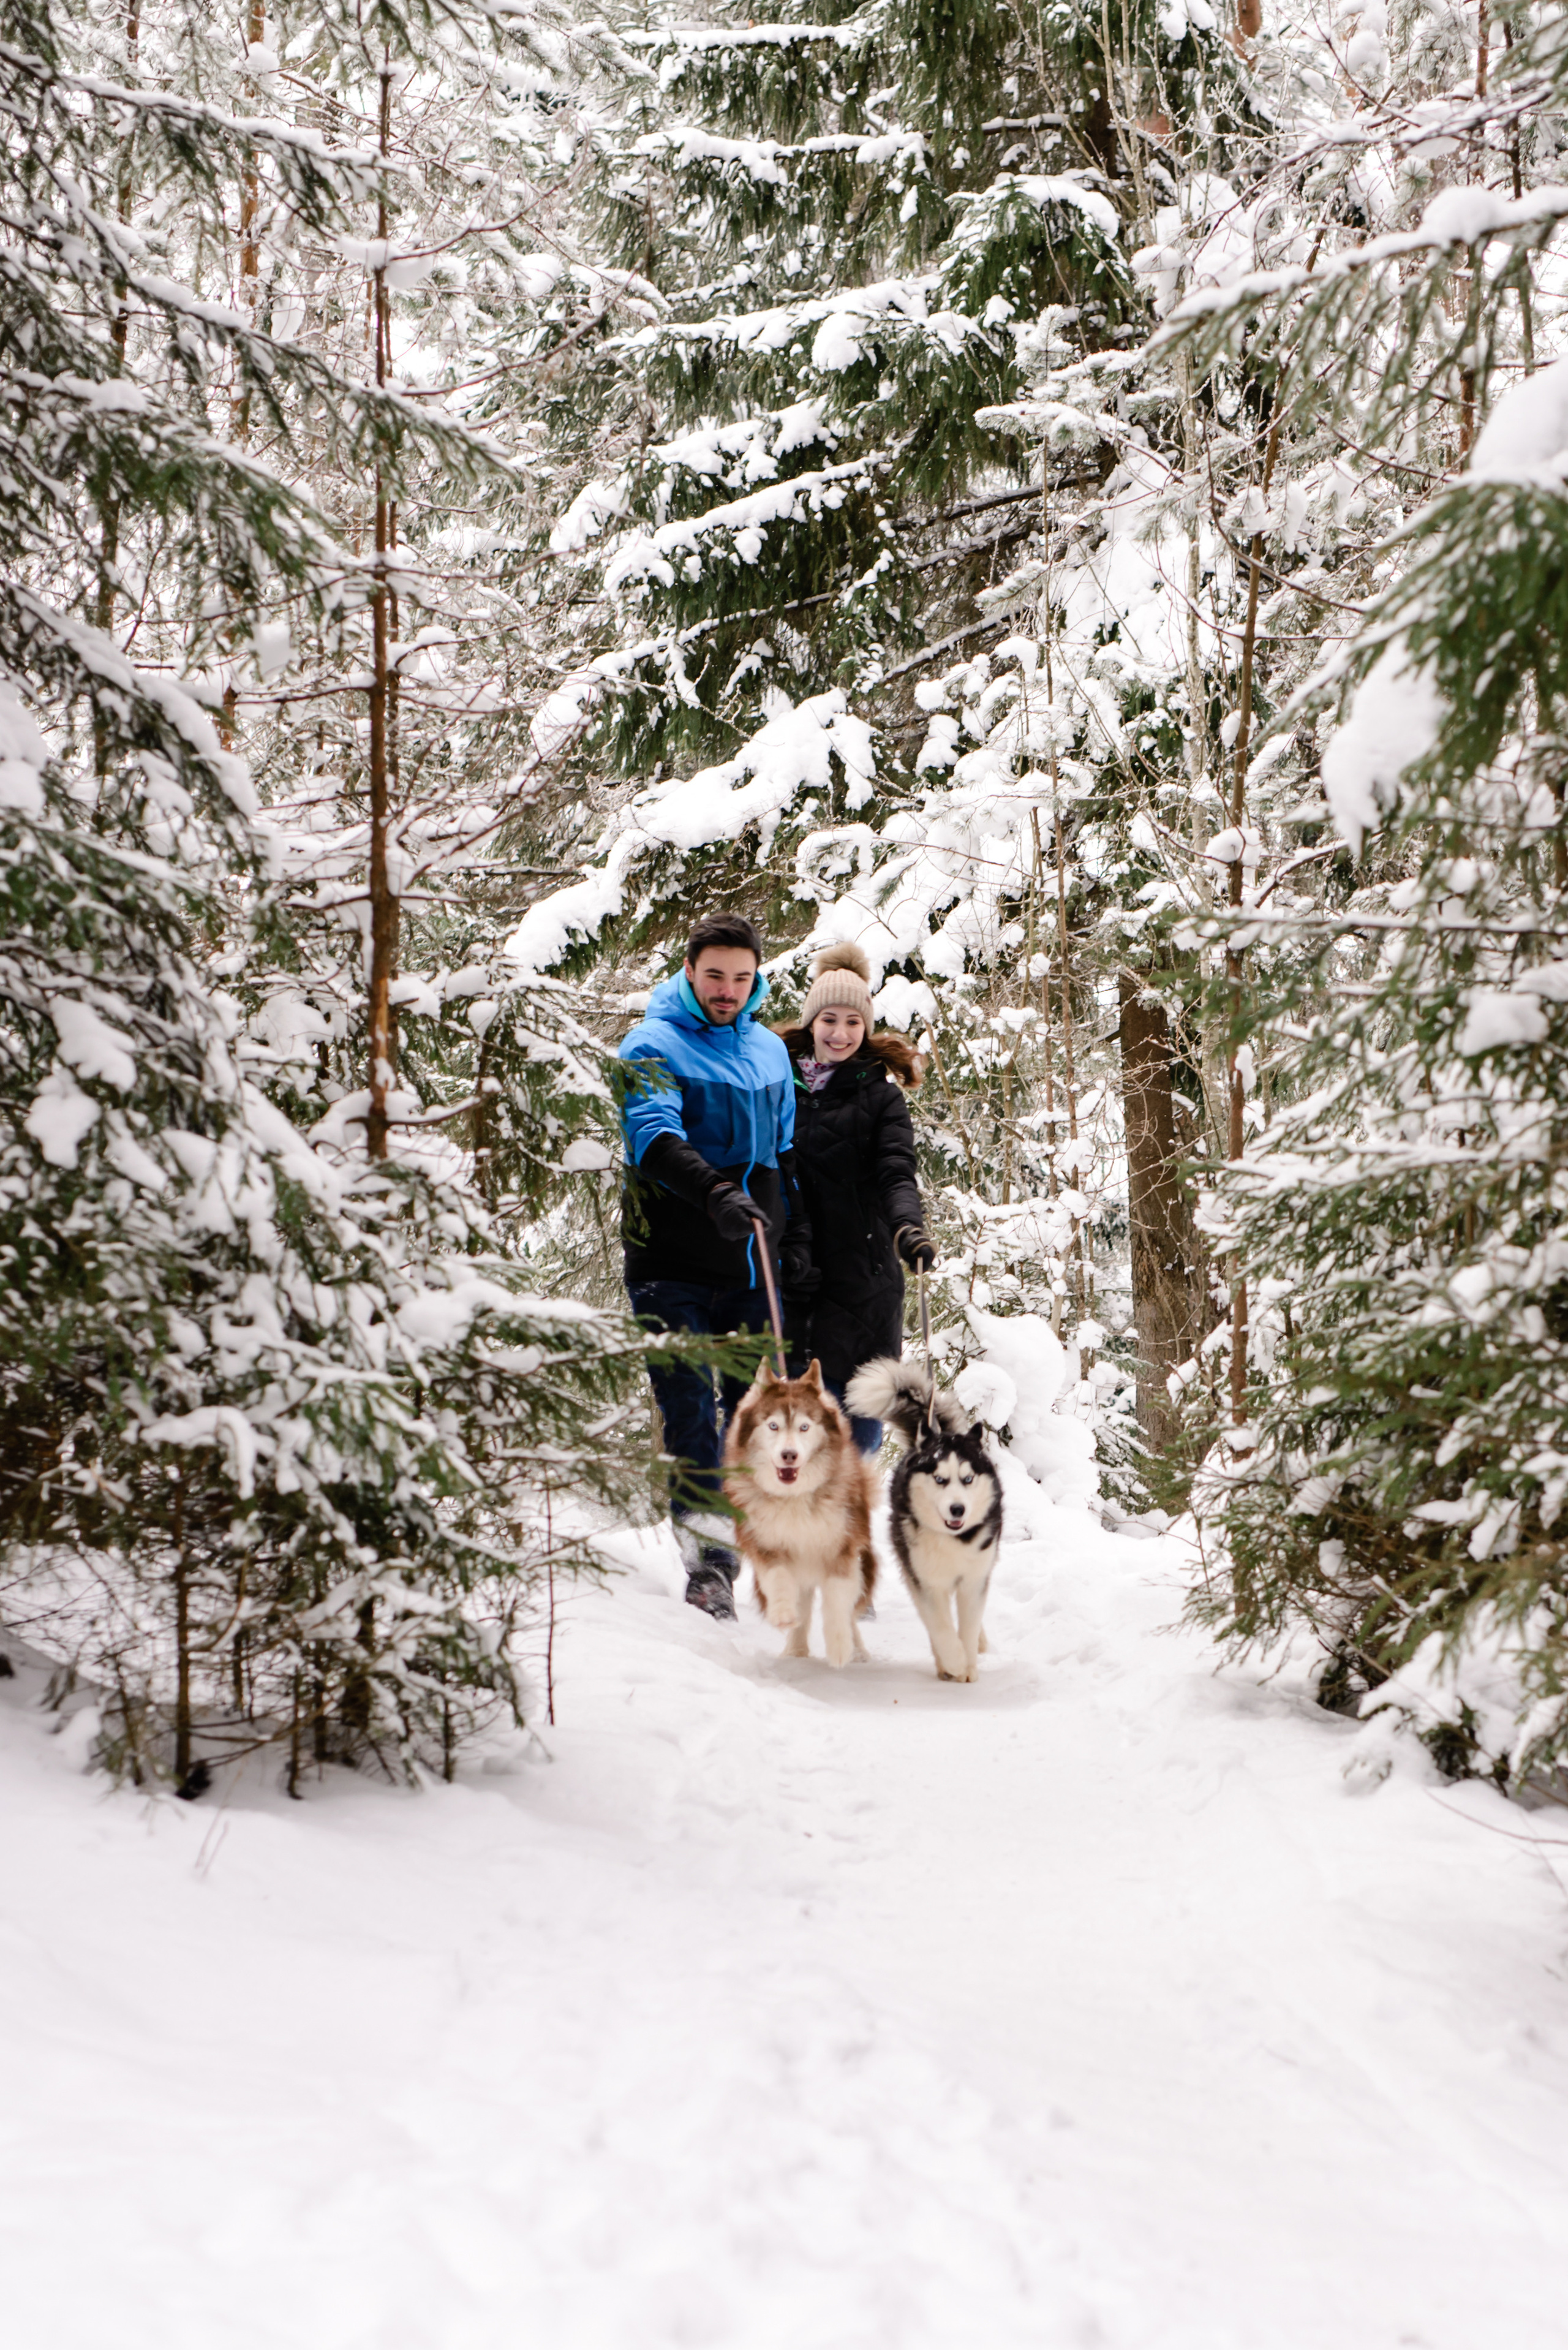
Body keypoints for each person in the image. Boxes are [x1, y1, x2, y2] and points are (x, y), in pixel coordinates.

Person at [619, 913, 812, 1619]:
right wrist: (715, 1192)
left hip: (751, 1262)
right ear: (689, 971)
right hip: (670, 1259)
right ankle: (710, 1565)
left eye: (741, 976)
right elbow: (653, 1135)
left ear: (757, 975)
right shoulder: (650, 1042)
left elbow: (785, 1154)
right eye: (714, 975)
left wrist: (797, 1241)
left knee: (760, 1414)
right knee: (691, 1412)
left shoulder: (767, 1050)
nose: (728, 989)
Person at [775, 943, 936, 1454]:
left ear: (866, 1027)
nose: (840, 1034)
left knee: (855, 1424)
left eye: (852, 1021)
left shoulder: (880, 1096)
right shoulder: (776, 1084)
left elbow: (896, 1173)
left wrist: (908, 1228)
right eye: (829, 1019)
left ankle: (854, 1523)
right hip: (793, 1274)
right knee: (790, 1426)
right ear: (811, 1021)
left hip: (863, 1279)